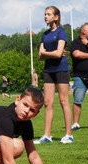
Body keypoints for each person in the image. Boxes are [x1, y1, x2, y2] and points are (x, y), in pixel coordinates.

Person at [34, 6, 73, 144]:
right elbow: (40, 56)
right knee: (47, 102)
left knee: (63, 101)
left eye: (48, 14)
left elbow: (58, 54)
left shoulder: (62, 32)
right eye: (45, 14)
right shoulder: (45, 34)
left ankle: (69, 134)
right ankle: (47, 136)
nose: (45, 16)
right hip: (48, 70)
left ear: (56, 17)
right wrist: (51, 53)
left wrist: (47, 53)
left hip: (61, 69)